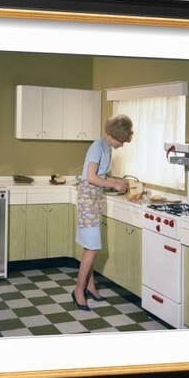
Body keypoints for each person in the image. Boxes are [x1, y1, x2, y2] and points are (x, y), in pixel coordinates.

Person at [72, 114, 134, 311]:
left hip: (95, 198)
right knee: (93, 248)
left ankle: (90, 285)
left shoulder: (106, 148)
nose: (122, 144)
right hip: (88, 198)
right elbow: (90, 177)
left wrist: (116, 182)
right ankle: (78, 290)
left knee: (90, 246)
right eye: (121, 140)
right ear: (113, 135)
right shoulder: (96, 146)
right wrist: (114, 183)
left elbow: (99, 176)